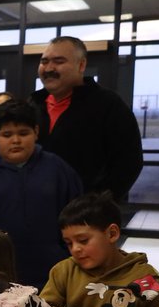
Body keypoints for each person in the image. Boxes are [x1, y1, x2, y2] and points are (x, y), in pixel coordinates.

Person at [0, 100, 83, 288]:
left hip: (53, 275)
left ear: (36, 132)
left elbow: (79, 218)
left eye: (23, 133)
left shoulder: (58, 170)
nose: (16, 140)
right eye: (7, 134)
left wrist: (65, 255)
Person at [41, 192, 159, 307]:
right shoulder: (64, 270)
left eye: (83, 240)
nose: (75, 249)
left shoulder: (145, 277)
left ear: (112, 234)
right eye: (69, 243)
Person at [31, 36, 143, 203]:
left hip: (86, 214)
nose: (49, 68)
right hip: (37, 209)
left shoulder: (107, 105)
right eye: (44, 61)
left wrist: (97, 204)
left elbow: (129, 162)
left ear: (81, 65)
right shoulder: (32, 105)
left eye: (59, 61)